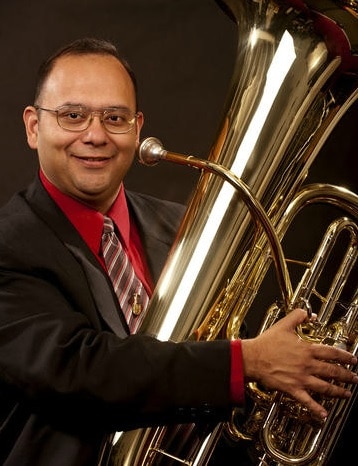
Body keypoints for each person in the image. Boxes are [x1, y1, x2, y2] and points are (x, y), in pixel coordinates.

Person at [0, 37, 356, 466]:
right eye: (72, 116)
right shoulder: (9, 245)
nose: (95, 136)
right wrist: (246, 363)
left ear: (137, 127)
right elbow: (79, 369)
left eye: (115, 117)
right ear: (34, 126)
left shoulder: (184, 228)